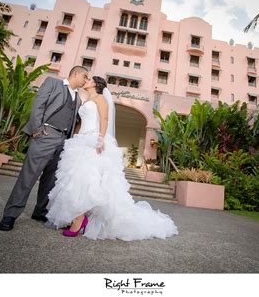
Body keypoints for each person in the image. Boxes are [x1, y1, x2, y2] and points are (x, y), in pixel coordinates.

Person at [45, 76, 178, 241]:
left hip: (94, 140)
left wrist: (100, 138)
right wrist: (74, 137)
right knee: (76, 180)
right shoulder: (86, 100)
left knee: (86, 180)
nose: (85, 80)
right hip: (81, 142)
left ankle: (79, 219)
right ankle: (78, 216)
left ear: (95, 84)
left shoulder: (100, 99)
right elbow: (80, 122)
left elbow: (104, 118)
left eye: (89, 79)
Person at [0, 66, 89, 231]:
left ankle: (39, 210)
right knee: (28, 176)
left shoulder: (78, 99)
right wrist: (37, 130)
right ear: (75, 73)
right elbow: (38, 105)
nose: (86, 80)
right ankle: (10, 214)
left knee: (51, 179)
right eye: (84, 76)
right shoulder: (53, 83)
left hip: (63, 140)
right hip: (46, 134)